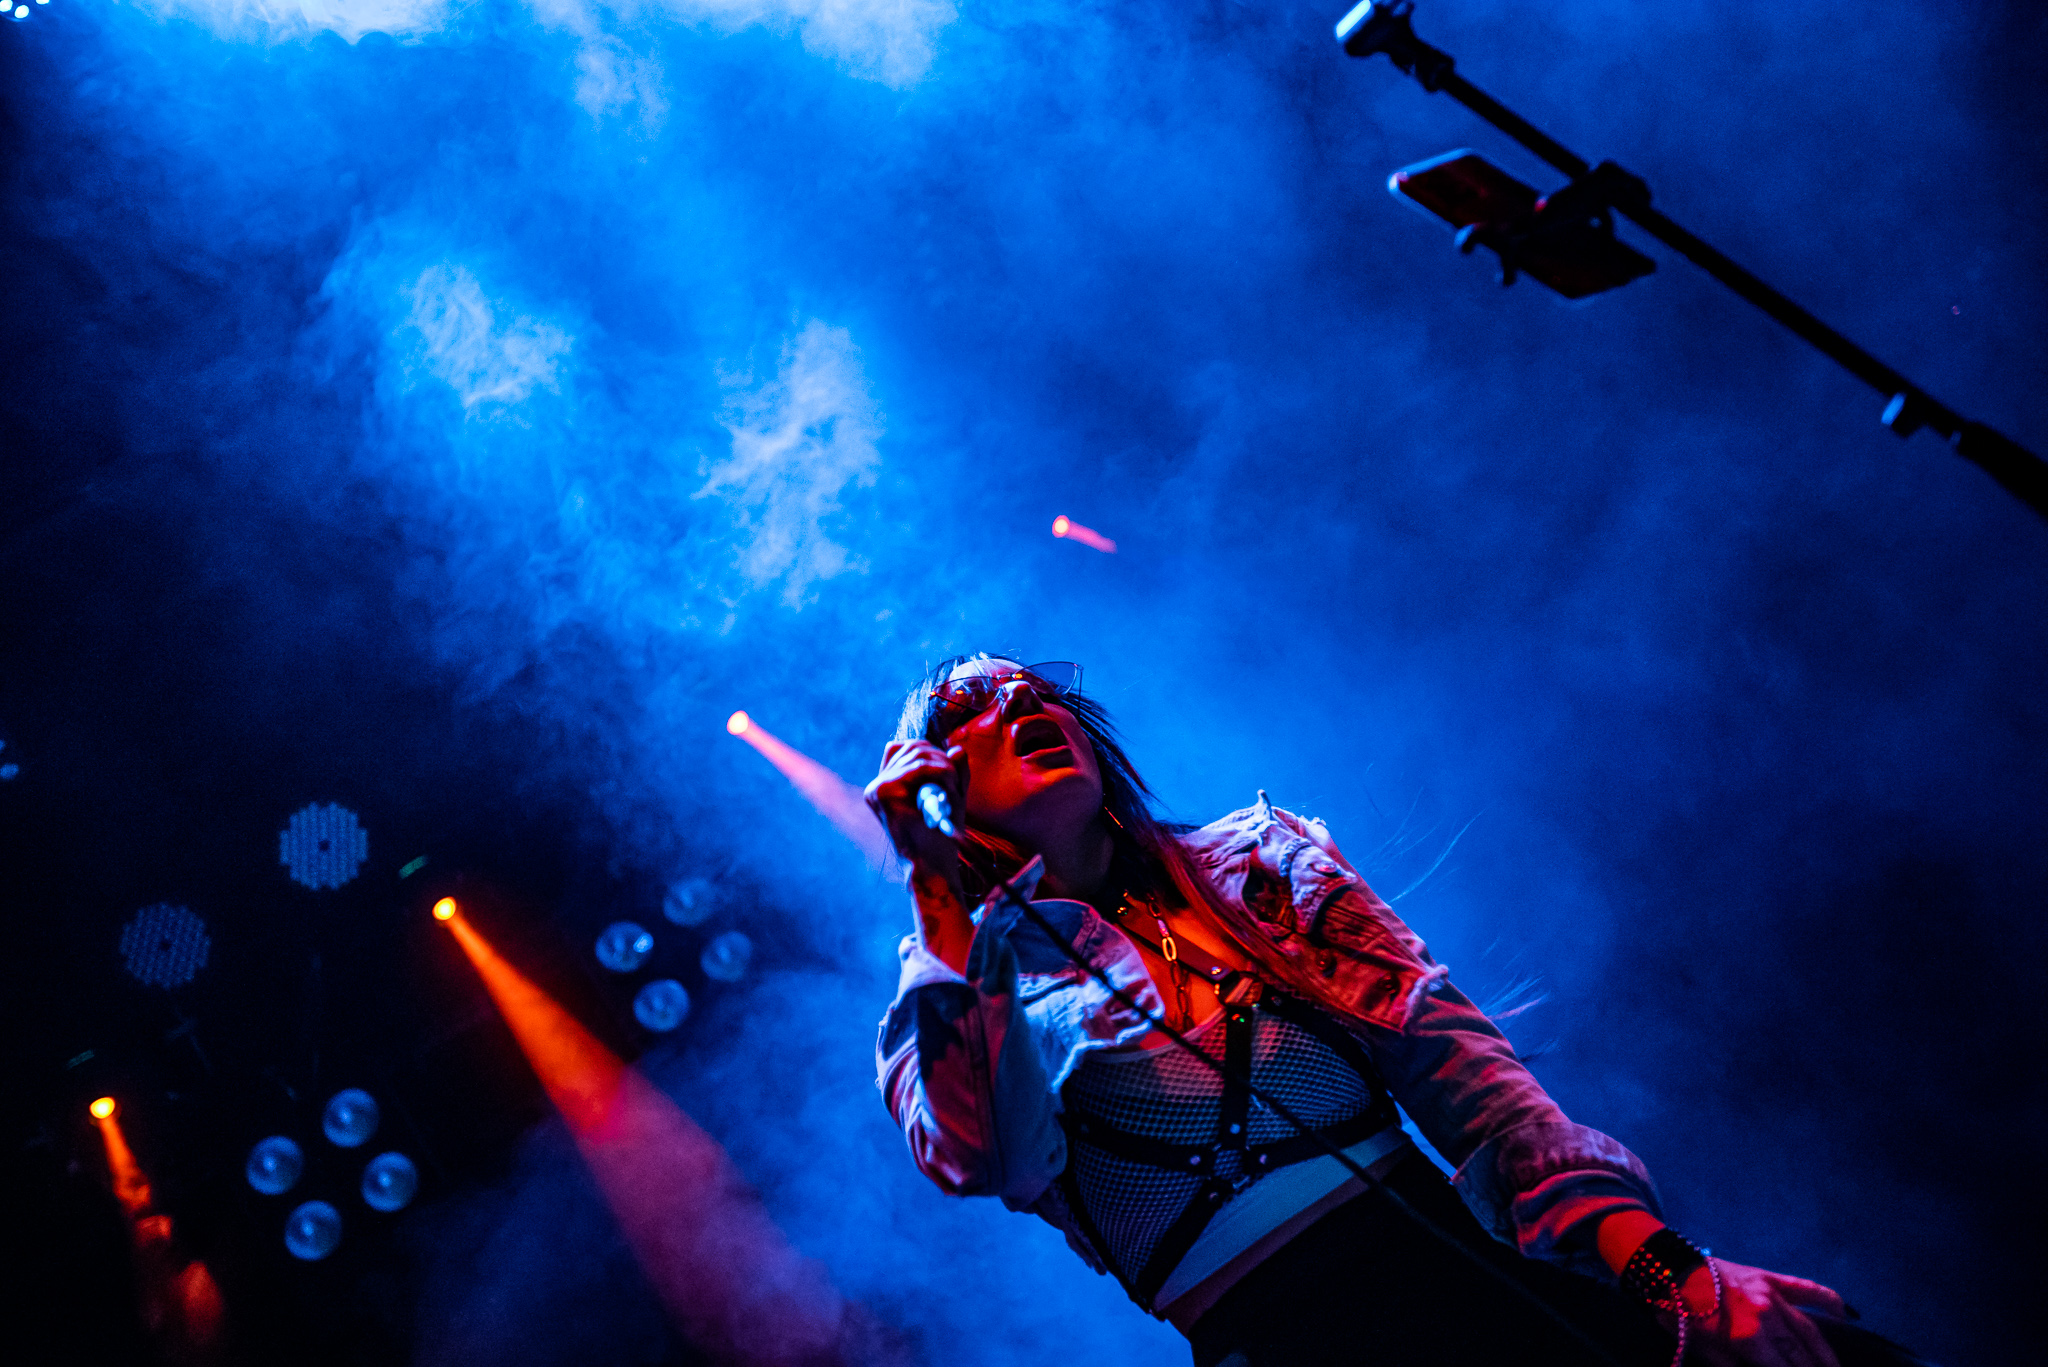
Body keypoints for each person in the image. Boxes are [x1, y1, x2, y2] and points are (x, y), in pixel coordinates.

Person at [867, 655, 1867, 1367]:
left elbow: (1472, 1085)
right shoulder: (961, 988)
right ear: (935, 787)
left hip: (1495, 1288)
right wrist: (937, 895)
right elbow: (978, 1152)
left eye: (1034, 690)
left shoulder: (1254, 861)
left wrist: (1665, 1272)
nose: (1017, 702)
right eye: (969, 711)